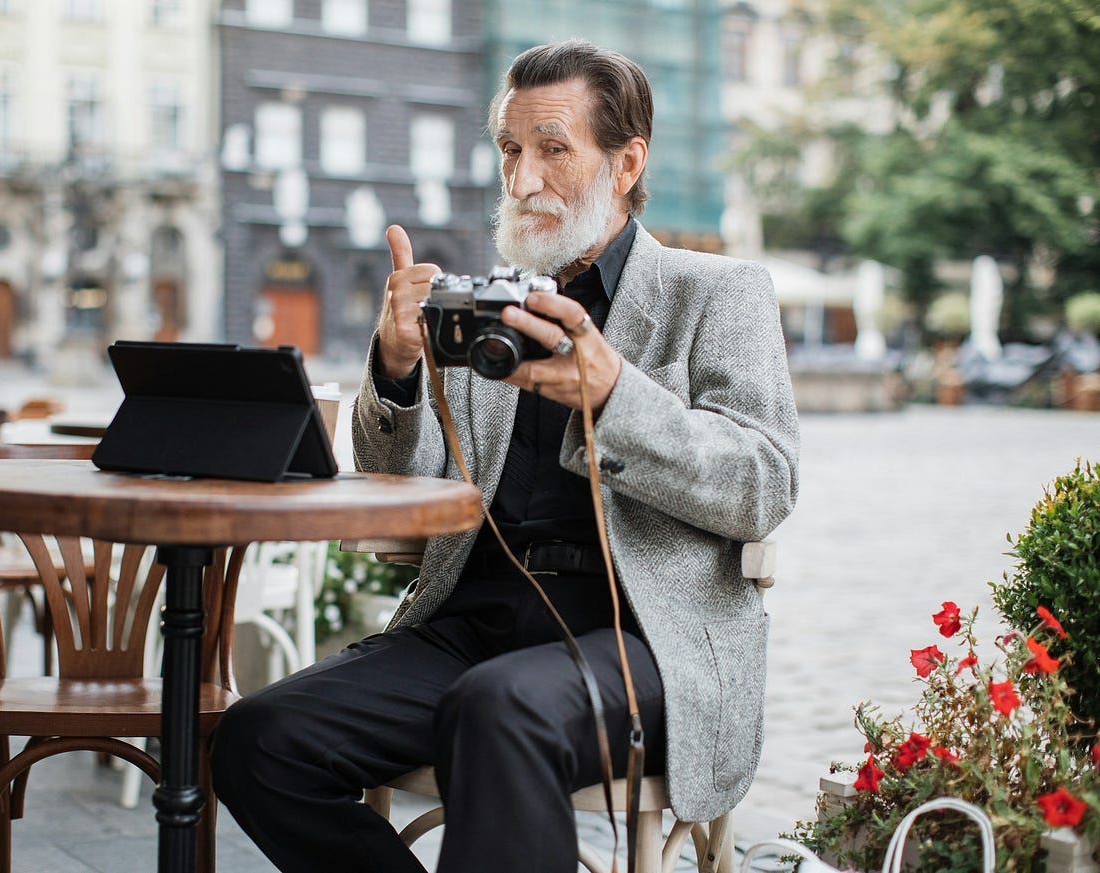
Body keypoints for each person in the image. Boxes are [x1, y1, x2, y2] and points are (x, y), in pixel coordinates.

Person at [210, 39, 800, 873]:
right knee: (259, 736)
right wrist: (398, 367)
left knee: (499, 706)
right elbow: (401, 482)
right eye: (510, 151)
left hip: (645, 638)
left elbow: (762, 484)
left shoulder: (714, 293)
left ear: (627, 163)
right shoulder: (487, 306)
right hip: (474, 620)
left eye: (552, 149)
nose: (522, 180)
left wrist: (614, 395)